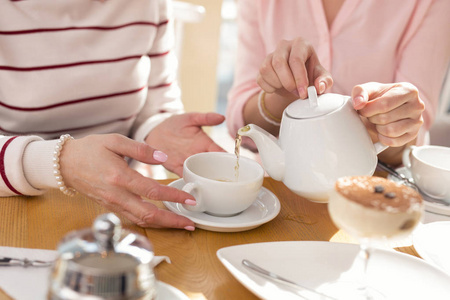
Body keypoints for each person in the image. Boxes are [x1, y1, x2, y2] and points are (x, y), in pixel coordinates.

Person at [0, 0, 226, 230]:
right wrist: (60, 162)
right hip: (16, 207)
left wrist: (157, 128)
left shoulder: (148, 5)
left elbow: (157, 102)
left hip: (123, 206)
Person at [227, 0, 450, 166]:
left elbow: (412, 136)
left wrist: (386, 126)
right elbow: (240, 126)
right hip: (280, 197)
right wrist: (282, 96)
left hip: (376, 195)